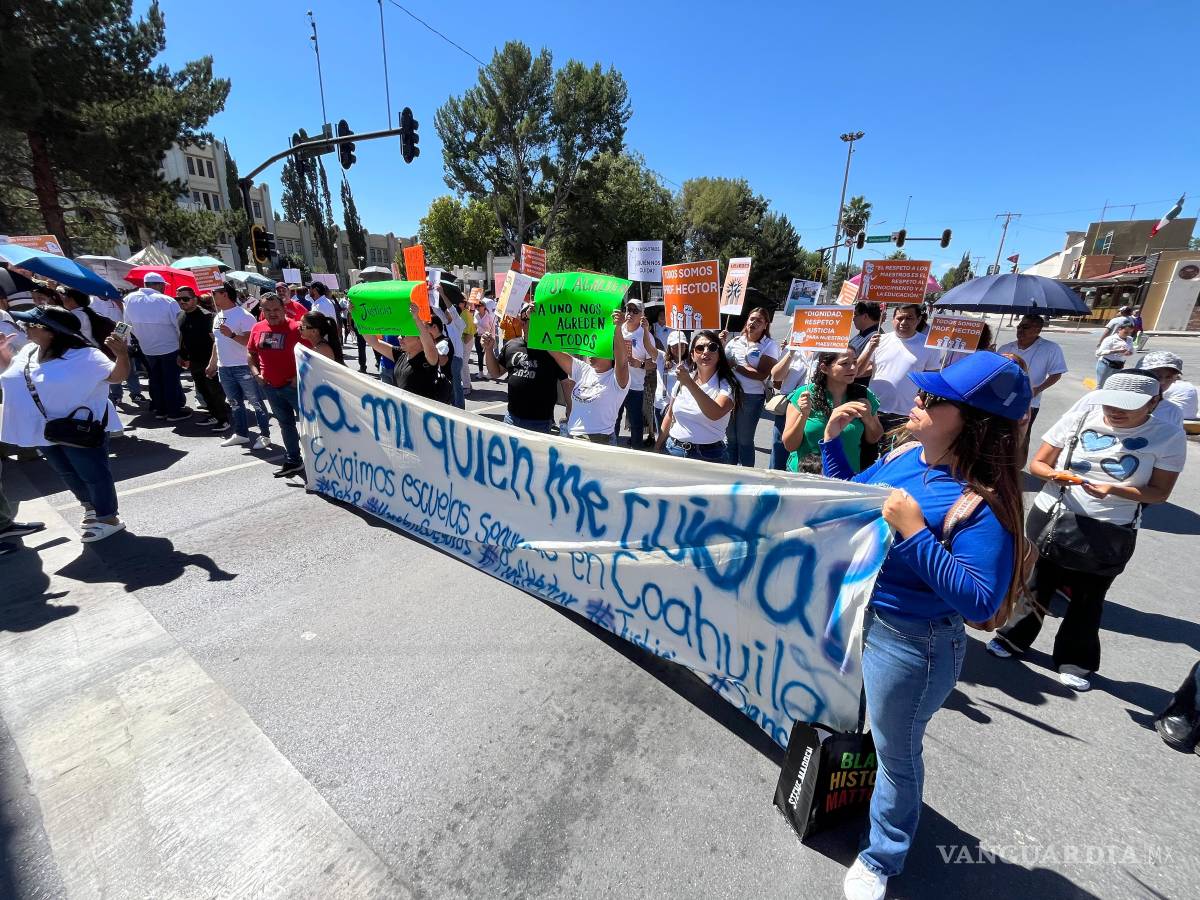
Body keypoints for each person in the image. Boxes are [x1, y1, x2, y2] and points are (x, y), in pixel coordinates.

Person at [821, 351, 1030, 900]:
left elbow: (981, 603)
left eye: (933, 399)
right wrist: (831, 446)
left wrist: (915, 533)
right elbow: (853, 502)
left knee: (897, 751)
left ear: (972, 422)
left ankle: (882, 855)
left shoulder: (982, 503)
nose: (915, 400)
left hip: (912, 644)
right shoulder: (906, 454)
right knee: (854, 720)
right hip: (859, 615)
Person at [988, 373, 1186, 692]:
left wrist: (1116, 489)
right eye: (1110, 402)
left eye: (1127, 407)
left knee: (1089, 596)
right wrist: (1055, 474)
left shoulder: (1166, 435)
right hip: (1052, 513)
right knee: (1037, 582)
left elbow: (1159, 492)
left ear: (1154, 402)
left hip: (1110, 527)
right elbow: (1038, 464)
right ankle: (1013, 638)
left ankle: (1075, 660)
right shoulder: (1081, 417)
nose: (1115, 411)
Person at [1, 307, 133, 542]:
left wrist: (122, 355)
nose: (25, 328)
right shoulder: (30, 350)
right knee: (67, 473)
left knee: (93, 474)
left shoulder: (85, 355)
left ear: (51, 331)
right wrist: (2, 355)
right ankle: (91, 508)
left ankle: (108, 518)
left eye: (31, 325)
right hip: (45, 429)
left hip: (78, 429)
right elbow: (14, 376)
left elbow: (115, 377)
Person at [783, 347, 881, 473]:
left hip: (846, 477)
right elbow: (790, 445)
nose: (852, 368)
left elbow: (874, 438)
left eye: (854, 362)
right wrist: (803, 415)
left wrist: (868, 418)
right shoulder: (804, 395)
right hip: (806, 476)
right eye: (844, 363)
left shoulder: (864, 395)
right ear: (824, 368)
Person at [480, 302, 569, 432]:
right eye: (527, 319)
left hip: (540, 422)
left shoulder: (552, 350)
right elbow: (496, 372)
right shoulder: (511, 345)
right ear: (522, 324)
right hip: (511, 419)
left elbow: (566, 383)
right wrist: (488, 350)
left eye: (537, 319)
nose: (533, 323)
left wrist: (570, 410)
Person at [247, 294, 308, 479]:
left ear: (284, 309)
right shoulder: (257, 328)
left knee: (310, 426)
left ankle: (318, 461)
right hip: (271, 388)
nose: (272, 313)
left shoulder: (297, 328)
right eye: (267, 310)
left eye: (276, 309)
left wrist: (298, 376)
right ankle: (293, 460)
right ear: (262, 311)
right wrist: (256, 373)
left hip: (296, 388)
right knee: (285, 425)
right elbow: (251, 353)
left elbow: (314, 356)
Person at [654, 330, 740, 462]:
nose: (706, 352)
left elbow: (715, 413)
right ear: (692, 355)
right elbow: (670, 416)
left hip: (710, 456)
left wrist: (689, 383)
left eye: (712, 347)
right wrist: (657, 446)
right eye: (700, 348)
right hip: (674, 450)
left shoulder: (727, 385)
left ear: (719, 354)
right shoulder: (682, 381)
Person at [208, 284, 271, 450]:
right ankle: (241, 434)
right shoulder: (217, 316)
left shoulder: (244, 316)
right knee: (235, 403)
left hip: (243, 366)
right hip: (225, 367)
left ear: (225, 294)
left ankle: (265, 435)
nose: (211, 295)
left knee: (256, 403)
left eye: (214, 292)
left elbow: (252, 343)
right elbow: (217, 342)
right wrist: (213, 363)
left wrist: (232, 335)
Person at [996, 314, 1069, 458]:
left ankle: (1016, 468)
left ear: (1037, 329)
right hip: (1001, 400)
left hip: (1028, 402)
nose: (1020, 330)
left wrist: (1037, 389)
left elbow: (1056, 373)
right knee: (999, 433)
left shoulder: (1050, 348)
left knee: (1021, 437)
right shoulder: (1006, 347)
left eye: (1025, 327)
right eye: (1019, 326)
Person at [863, 304, 941, 432]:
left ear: (919, 319)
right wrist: (870, 348)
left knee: (895, 451)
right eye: (899, 318)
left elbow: (932, 378)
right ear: (893, 319)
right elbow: (859, 371)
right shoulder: (878, 340)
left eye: (909, 318)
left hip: (905, 413)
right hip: (874, 410)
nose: (903, 322)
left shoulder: (929, 345)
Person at [123, 272, 188, 421]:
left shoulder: (128, 300)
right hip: (170, 347)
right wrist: (184, 348)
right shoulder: (167, 301)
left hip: (147, 348)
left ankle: (160, 410)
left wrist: (124, 343)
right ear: (158, 285)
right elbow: (179, 326)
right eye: (163, 286)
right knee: (171, 379)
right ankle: (174, 412)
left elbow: (125, 324)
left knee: (155, 378)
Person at [563, 309, 630, 443]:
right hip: (572, 439)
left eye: (597, 349)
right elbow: (553, 351)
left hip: (600, 442)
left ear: (609, 353)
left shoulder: (616, 380)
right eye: (590, 346)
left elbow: (622, 363)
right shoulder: (583, 369)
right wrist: (536, 321)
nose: (590, 352)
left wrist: (617, 329)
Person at [722, 307, 779, 466]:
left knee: (745, 440)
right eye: (751, 318)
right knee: (730, 438)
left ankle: (747, 477)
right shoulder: (735, 341)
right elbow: (723, 365)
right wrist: (721, 344)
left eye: (759, 320)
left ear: (765, 325)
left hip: (752, 397)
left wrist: (737, 366)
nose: (753, 322)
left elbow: (762, 374)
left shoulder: (769, 345)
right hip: (729, 394)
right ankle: (730, 473)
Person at [363, 307, 453, 403]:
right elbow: (373, 342)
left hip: (422, 414)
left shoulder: (429, 359)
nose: (399, 337)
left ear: (419, 339)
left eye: (404, 335)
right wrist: (358, 317)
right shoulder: (400, 354)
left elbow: (429, 346)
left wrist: (417, 319)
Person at [175, 287, 230, 431]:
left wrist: (213, 362)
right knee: (202, 390)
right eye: (178, 299)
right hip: (194, 361)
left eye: (185, 299)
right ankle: (214, 414)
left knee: (215, 391)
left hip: (209, 360)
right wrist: (181, 355)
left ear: (194, 299)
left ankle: (223, 419)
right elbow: (183, 337)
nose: (182, 302)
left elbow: (217, 341)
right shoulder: (180, 315)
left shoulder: (208, 316)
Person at [614, 300, 656, 448]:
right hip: (616, 384)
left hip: (635, 386)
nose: (630, 313)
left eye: (635, 311)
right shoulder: (617, 327)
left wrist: (640, 364)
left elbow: (654, 363)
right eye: (628, 309)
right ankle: (611, 448)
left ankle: (637, 451)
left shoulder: (646, 336)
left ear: (642, 315)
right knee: (614, 419)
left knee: (636, 423)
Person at [769, 347, 816, 469]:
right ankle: (774, 483)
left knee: (805, 450)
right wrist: (790, 353)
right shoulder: (792, 349)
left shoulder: (830, 349)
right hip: (788, 406)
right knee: (779, 447)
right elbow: (776, 376)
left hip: (813, 407)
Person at [1135, 351, 1197, 423]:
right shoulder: (1122, 399)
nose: (1162, 382)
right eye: (1155, 375)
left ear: (1175, 379)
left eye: (1169, 377)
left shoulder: (1172, 411)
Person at [653, 331, 689, 429]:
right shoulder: (662, 358)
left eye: (682, 345)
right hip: (661, 405)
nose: (679, 348)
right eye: (675, 346)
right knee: (662, 438)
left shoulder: (691, 363)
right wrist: (645, 329)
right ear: (669, 347)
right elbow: (648, 347)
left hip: (681, 407)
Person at [1095, 322, 1134, 387]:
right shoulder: (1110, 339)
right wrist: (1116, 351)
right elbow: (1099, 352)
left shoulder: (1129, 339)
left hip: (1119, 365)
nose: (1127, 334)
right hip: (1106, 364)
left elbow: (1132, 350)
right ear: (1119, 329)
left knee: (1112, 385)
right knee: (1101, 385)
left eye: (1130, 332)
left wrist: (1128, 353)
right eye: (1125, 332)